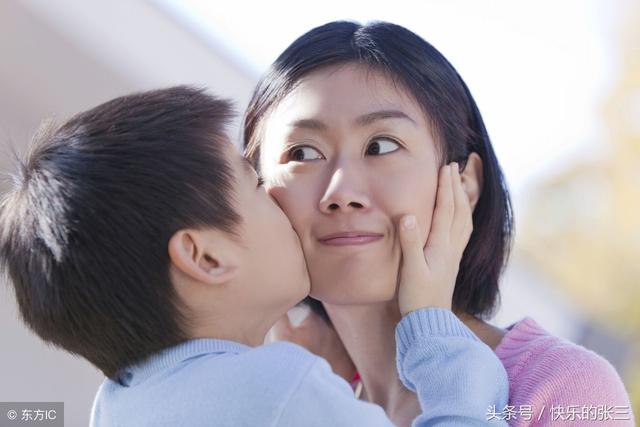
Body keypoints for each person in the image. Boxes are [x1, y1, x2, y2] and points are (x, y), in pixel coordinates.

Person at [0, 86, 510, 426]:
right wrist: (432, 327)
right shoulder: (279, 390)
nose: (275, 194)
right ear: (206, 257)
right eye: (251, 182)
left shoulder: (116, 408)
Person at [243, 21, 634, 426]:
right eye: (303, 153)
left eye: (381, 146)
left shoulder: (564, 388)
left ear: (465, 184)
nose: (341, 192)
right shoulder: (292, 406)